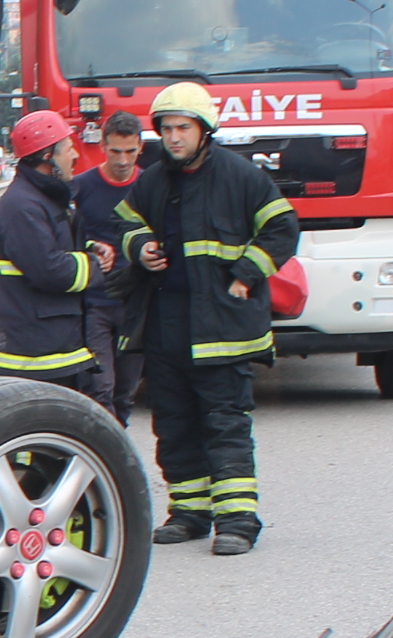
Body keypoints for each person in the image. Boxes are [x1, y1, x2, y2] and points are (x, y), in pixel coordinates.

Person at [119, 81, 299, 555]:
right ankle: (190, 513)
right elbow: (124, 222)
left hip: (223, 327)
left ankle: (238, 521)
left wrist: (246, 273)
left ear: (204, 130)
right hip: (167, 327)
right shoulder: (154, 180)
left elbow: (282, 228)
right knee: (174, 425)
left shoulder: (241, 177)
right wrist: (139, 247)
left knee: (224, 424)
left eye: (182, 127)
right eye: (166, 128)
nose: (173, 137)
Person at [0, 109, 115, 404]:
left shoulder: (42, 197)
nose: (75, 156)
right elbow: (50, 269)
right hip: (33, 359)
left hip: (52, 350)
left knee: (55, 445)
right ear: (46, 157)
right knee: (34, 445)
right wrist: (94, 266)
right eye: (68, 149)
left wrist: (88, 247)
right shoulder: (22, 206)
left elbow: (53, 245)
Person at [72, 110, 149, 420]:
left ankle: (115, 462)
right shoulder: (81, 188)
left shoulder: (150, 185)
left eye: (130, 151)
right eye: (115, 151)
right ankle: (99, 461)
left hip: (136, 307)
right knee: (101, 389)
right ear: (102, 146)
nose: (122, 160)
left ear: (141, 147)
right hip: (96, 305)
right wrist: (90, 247)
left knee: (125, 393)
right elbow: (64, 237)